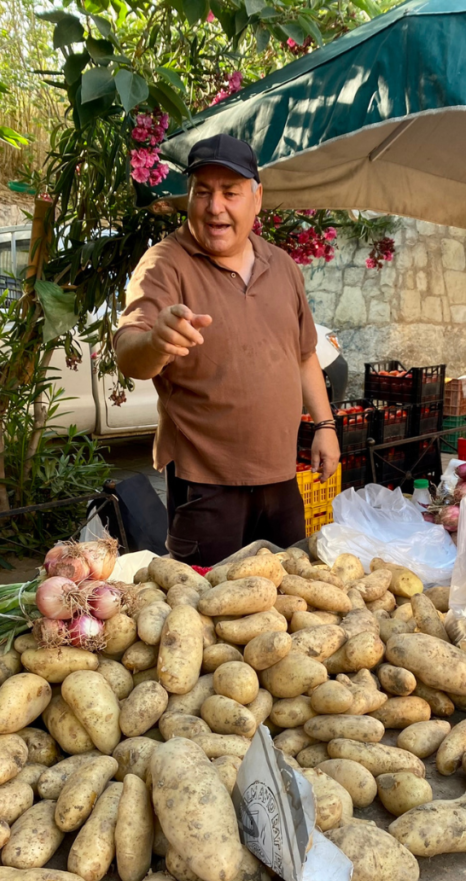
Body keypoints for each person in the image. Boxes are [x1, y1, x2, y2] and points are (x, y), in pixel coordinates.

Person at [114, 133, 340, 565]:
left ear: (257, 199)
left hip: (280, 478)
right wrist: (156, 342)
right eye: (203, 192)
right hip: (206, 487)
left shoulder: (283, 266)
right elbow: (130, 352)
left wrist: (325, 426)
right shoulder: (165, 263)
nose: (215, 206)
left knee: (287, 602)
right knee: (204, 614)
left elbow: (304, 355)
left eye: (230, 193)